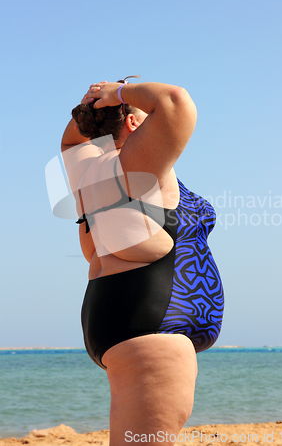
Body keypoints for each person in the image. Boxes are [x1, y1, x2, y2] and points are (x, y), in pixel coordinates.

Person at [61, 78, 224, 445]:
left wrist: (93, 104)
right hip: (150, 332)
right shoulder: (136, 164)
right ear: (134, 124)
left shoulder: (86, 167)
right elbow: (175, 100)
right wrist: (118, 94)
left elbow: (71, 140)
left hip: (114, 319)